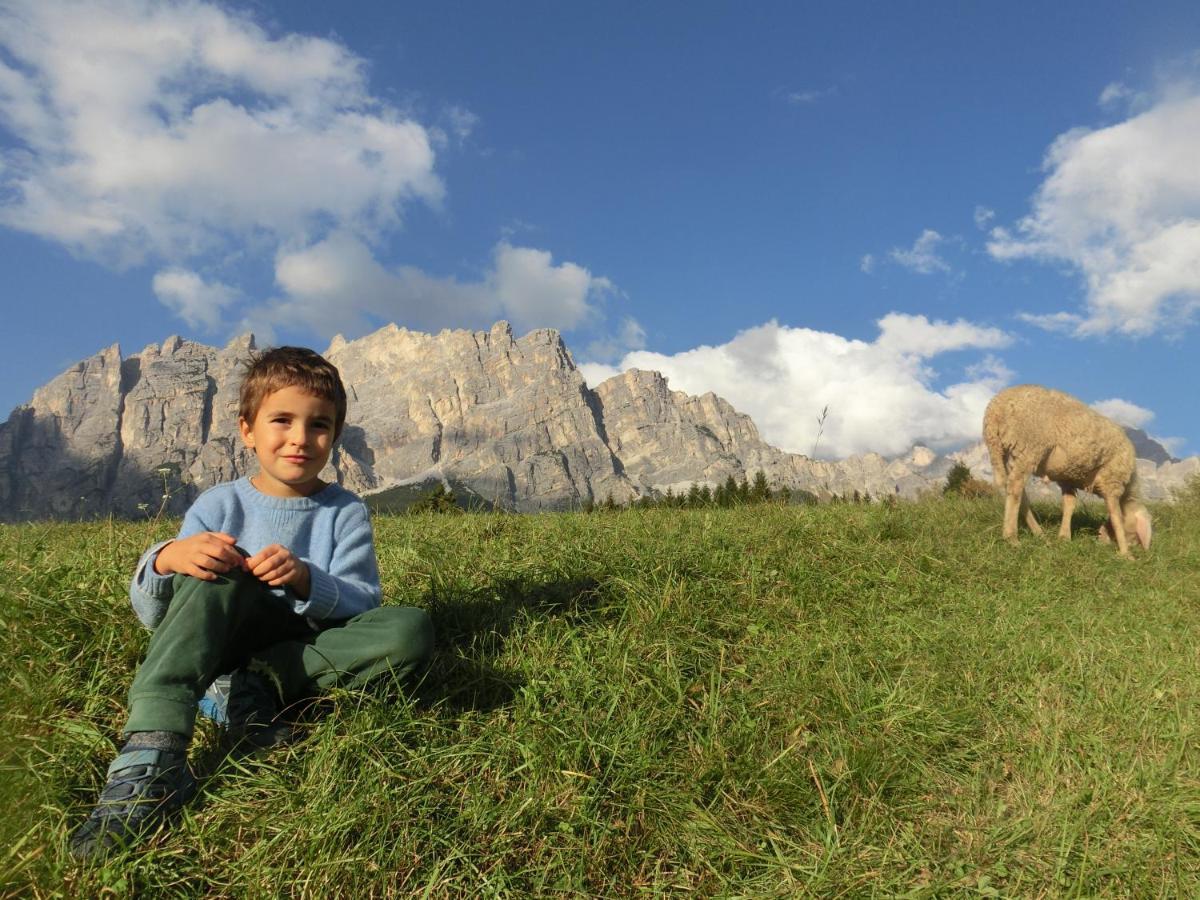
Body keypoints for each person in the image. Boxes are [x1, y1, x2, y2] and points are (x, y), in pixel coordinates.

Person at [70, 346, 434, 860]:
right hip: (218, 639)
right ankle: (152, 747)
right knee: (215, 569)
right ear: (248, 430)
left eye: (319, 425)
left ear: (335, 435)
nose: (300, 439)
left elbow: (363, 603)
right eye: (281, 420)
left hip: (301, 642)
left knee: (410, 629)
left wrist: (308, 578)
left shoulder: (345, 510)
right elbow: (158, 615)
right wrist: (168, 559)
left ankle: (257, 682)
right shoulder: (219, 503)